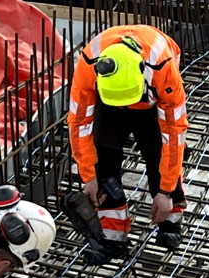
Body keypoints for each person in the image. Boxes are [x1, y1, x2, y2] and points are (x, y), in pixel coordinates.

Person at [66, 24, 188, 263]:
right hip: (112, 99)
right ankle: (113, 235)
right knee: (103, 154)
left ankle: (170, 219)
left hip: (152, 100)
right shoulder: (89, 65)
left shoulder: (163, 67)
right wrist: (88, 176)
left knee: (160, 151)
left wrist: (164, 191)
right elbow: (79, 123)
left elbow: (174, 135)